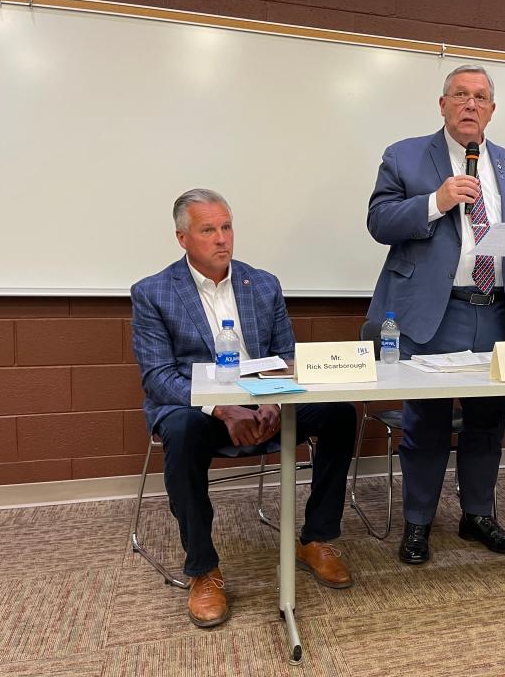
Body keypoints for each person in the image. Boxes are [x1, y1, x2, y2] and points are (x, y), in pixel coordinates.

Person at [131, 188, 356, 628]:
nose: (222, 239)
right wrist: (221, 410)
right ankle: (202, 569)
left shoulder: (263, 284)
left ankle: (315, 538)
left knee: (338, 414)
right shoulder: (153, 293)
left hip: (265, 405)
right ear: (182, 238)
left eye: (227, 227)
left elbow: (286, 357)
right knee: (180, 431)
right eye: (208, 230)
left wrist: (272, 401)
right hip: (201, 414)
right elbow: (158, 376)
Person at [367, 64, 505, 564]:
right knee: (425, 421)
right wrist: (435, 201)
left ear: (492, 109)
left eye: (481, 97)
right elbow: (379, 222)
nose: (471, 104)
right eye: (461, 95)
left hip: (495, 309)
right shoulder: (404, 156)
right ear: (442, 104)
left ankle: (478, 515)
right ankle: (419, 522)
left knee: (488, 420)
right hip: (433, 312)